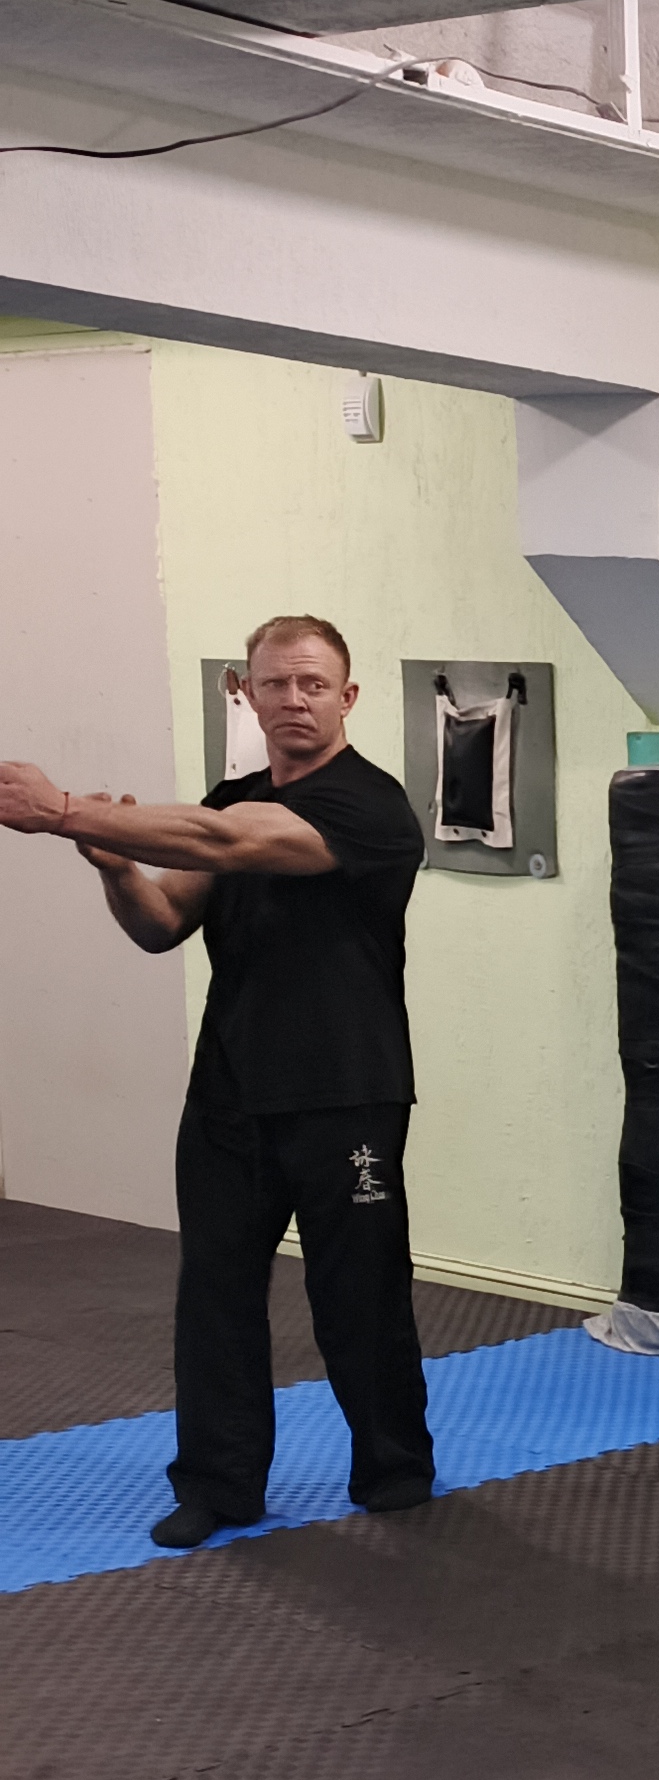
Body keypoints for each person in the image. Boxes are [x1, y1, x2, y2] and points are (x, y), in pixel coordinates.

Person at [0, 612, 433, 1546]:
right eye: (275, 683)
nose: (294, 700)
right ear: (248, 694)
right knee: (215, 1290)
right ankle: (218, 1484)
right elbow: (162, 924)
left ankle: (394, 1464)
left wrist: (63, 808)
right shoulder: (232, 796)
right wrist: (116, 869)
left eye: (313, 684)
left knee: (358, 1292)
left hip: (345, 1092)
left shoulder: (371, 806)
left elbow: (228, 844)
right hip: (232, 1091)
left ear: (348, 697)